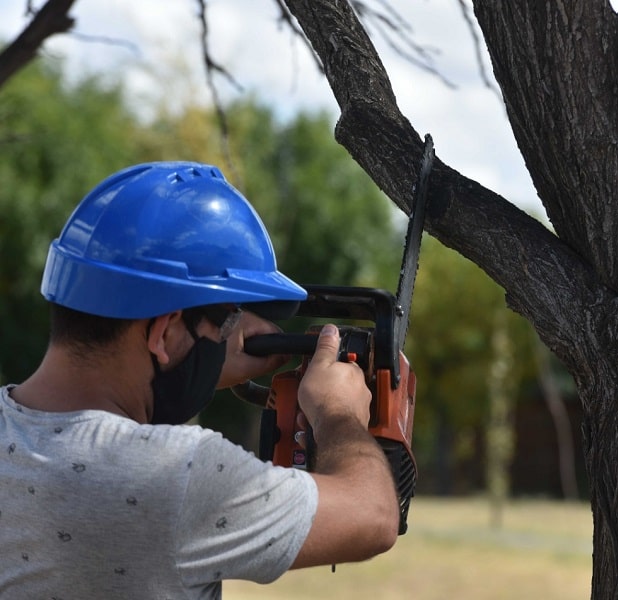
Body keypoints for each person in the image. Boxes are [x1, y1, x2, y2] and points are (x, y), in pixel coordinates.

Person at [0, 161, 399, 598]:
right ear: (165, 332)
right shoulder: (177, 475)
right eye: (226, 322)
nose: (231, 332)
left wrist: (203, 356)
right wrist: (338, 412)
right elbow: (374, 515)